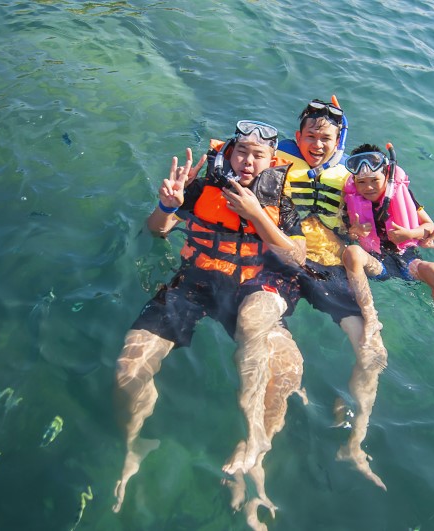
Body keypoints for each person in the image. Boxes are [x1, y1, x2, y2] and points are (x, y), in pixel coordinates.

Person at [111, 119, 306, 514]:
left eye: (258, 155)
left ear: (271, 161)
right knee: (126, 374)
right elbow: (158, 233)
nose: (248, 162)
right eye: (241, 152)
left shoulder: (281, 204)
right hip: (194, 284)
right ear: (230, 154)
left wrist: (257, 214)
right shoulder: (201, 188)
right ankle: (133, 445)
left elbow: (297, 259)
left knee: (287, 373)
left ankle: (255, 452)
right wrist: (167, 205)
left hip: (253, 290)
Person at [225, 97, 389, 490]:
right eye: (311, 136)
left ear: (338, 141)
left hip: (329, 266)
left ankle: (355, 441)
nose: (317, 145)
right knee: (262, 333)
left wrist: (418, 237)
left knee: (373, 351)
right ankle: (255, 440)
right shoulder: (275, 158)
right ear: (297, 136)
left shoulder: (352, 174)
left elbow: (389, 206)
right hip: (283, 263)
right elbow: (234, 157)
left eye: (327, 138)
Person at [342, 143, 434, 366]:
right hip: (375, 262)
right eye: (361, 182)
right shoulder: (350, 199)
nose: (368, 187)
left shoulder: (402, 193)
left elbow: (429, 225)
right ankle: (371, 319)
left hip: (406, 259)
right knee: (352, 253)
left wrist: (411, 233)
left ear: (387, 176)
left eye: (375, 180)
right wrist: (352, 231)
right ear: (354, 182)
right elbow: (345, 231)